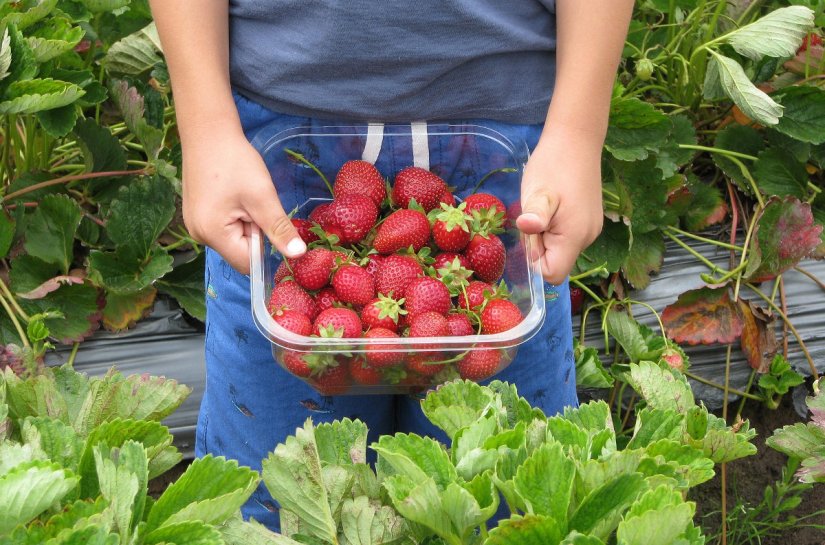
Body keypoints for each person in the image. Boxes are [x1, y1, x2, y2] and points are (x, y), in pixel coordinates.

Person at [149, 0, 634, 530]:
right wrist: (206, 127)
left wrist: (578, 130)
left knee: (509, 507)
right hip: (271, 151)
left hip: (509, 148)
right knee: (276, 507)